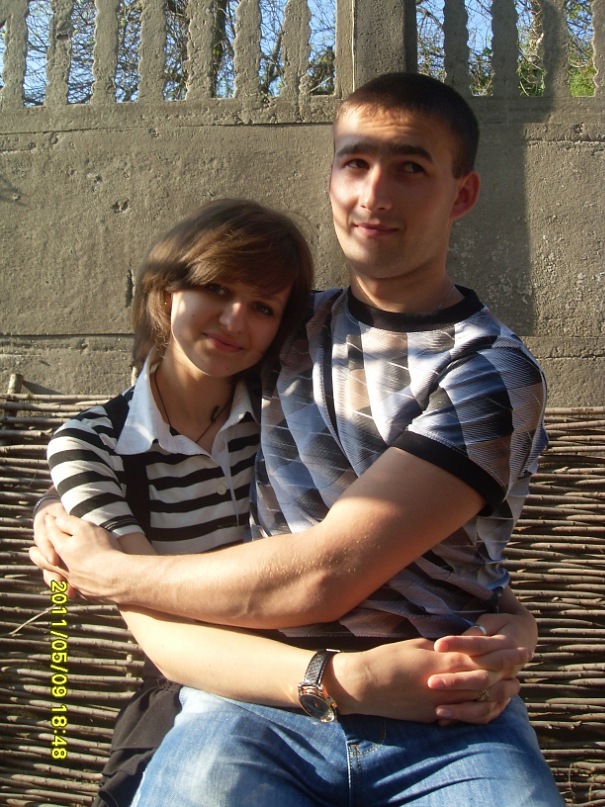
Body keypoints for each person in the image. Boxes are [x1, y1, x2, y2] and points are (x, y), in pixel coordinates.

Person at [32, 72, 564, 805]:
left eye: (410, 168)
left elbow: (327, 571)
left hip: (441, 707)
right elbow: (161, 406)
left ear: (461, 194)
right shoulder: (280, 327)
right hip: (253, 700)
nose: (373, 194)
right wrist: (60, 498)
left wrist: (108, 573)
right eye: (355, 162)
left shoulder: (488, 371)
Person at [36, 197, 314, 805]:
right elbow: (156, 613)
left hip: (314, 677)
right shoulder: (92, 445)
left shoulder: (292, 414)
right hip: (192, 683)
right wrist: (338, 681)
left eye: (263, 307)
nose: (235, 321)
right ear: (166, 292)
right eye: (216, 288)